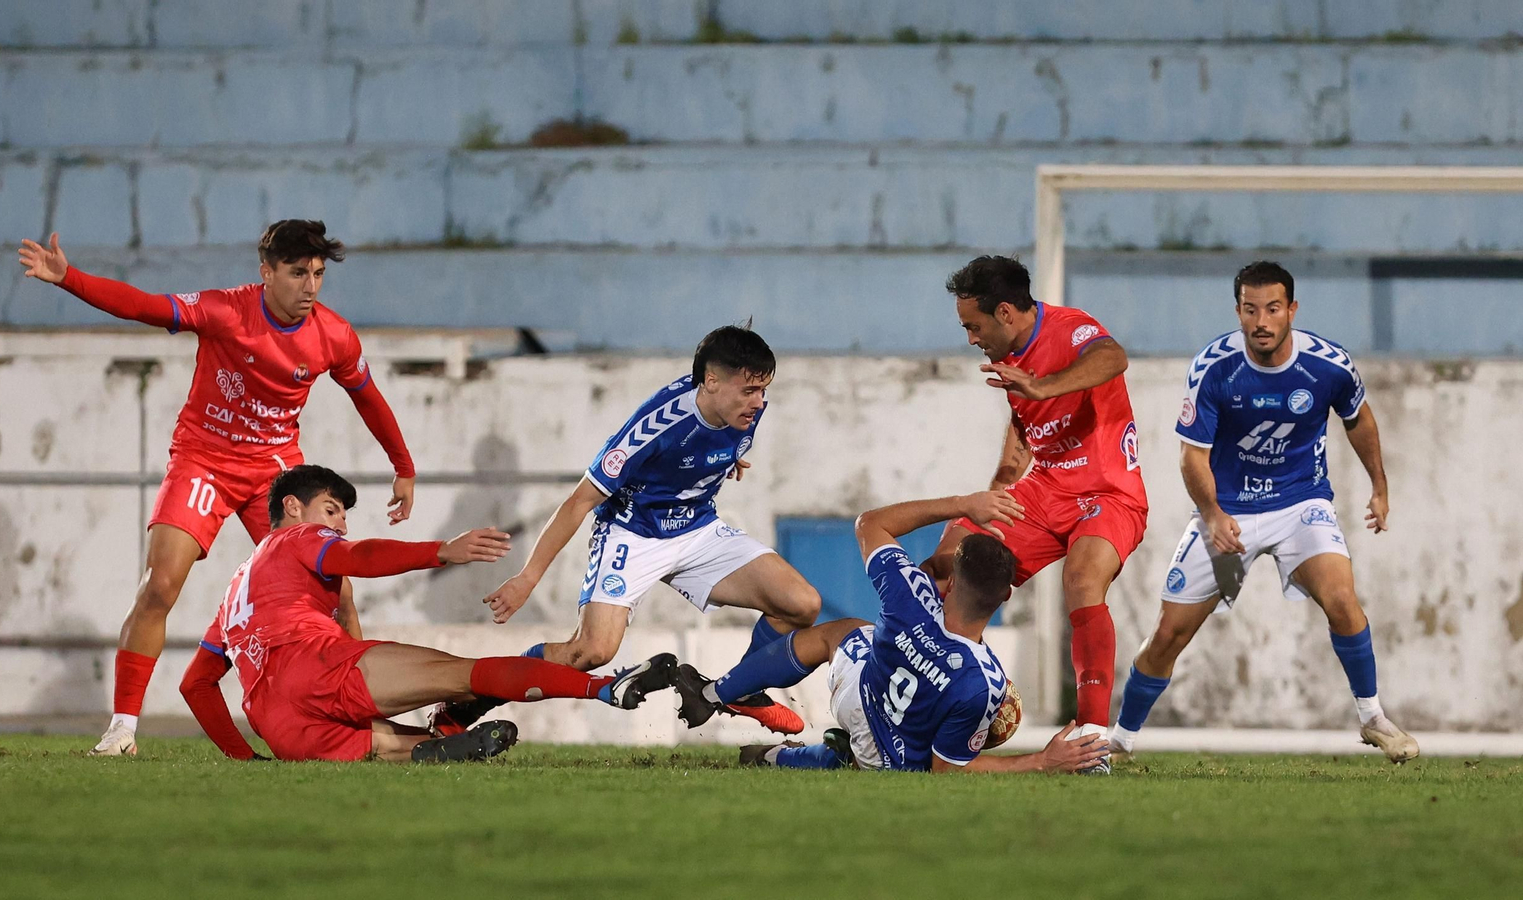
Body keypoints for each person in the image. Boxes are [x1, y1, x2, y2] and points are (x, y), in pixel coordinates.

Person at [17, 221, 418, 756]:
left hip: (275, 474)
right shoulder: (227, 311)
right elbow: (144, 306)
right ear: (266, 273)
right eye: (298, 273)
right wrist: (70, 279)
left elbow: (367, 395)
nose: (311, 287)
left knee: (337, 591)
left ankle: (354, 714)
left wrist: (403, 465)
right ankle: (122, 730)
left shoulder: (335, 335)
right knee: (160, 585)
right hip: (203, 459)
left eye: (319, 274)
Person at [1110, 261, 1418, 762]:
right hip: (1226, 509)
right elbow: (1192, 456)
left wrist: (1379, 487)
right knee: (1169, 634)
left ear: (1291, 310)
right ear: (1238, 311)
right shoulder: (1214, 368)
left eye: (1273, 309)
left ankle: (1373, 718)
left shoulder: (1329, 365)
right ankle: (1119, 742)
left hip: (1302, 501)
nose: (1261, 321)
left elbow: (1357, 418)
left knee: (1343, 599)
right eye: (1250, 310)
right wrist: (1210, 515)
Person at [180, 465, 675, 762]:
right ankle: (605, 688)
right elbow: (362, 558)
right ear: (293, 507)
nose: (340, 525)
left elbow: (196, 684)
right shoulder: (297, 537)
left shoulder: (233, 593)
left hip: (280, 725)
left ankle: (445, 736)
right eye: (332, 510)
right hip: (314, 668)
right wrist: (441, 551)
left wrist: (246, 759)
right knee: (465, 675)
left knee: (416, 747)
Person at [471, 326, 819, 735]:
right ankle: (474, 696)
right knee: (591, 651)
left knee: (801, 604)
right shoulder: (653, 427)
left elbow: (710, 446)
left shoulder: (745, 410)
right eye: (748, 391)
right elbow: (579, 501)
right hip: (632, 532)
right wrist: (526, 578)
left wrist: (726, 460)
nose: (759, 402)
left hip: (696, 528)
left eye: (763, 390)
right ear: (710, 381)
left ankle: (740, 690)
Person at [682, 490, 1105, 775]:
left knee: (841, 633)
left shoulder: (913, 597)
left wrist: (960, 503)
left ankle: (717, 693)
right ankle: (790, 757)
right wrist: (1042, 761)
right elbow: (947, 771)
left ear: (952, 583)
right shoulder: (987, 682)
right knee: (918, 729)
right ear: (1006, 597)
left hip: (856, 698)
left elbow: (870, 523)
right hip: (893, 760)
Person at [932, 255, 1148, 773]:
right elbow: (1022, 439)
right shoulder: (1012, 360)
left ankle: (1092, 742)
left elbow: (1114, 357)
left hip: (1109, 491)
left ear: (1005, 312)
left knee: (1082, 577)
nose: (970, 339)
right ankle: (924, 705)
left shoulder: (1070, 329)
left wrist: (1044, 385)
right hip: (1046, 489)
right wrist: (990, 501)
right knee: (948, 563)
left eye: (974, 326)